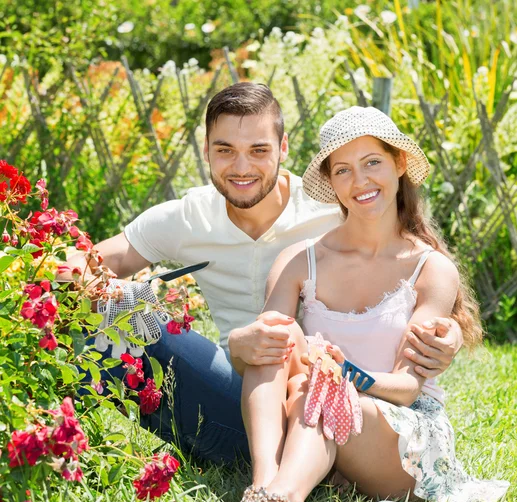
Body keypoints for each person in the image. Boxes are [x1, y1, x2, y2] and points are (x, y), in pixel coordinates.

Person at [63, 83, 463, 464]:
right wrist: (71, 269)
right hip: (234, 392)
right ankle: (59, 441)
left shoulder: (338, 204)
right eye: (225, 150)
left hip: (324, 399)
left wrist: (451, 332)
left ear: (283, 148)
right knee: (113, 314)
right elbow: (91, 259)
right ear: (205, 151)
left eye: (258, 150)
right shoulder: (188, 217)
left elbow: (411, 265)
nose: (241, 167)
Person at [209, 107, 509, 502]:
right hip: (320, 411)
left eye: (373, 163)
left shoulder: (430, 268)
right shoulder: (300, 261)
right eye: (344, 170)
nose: (360, 181)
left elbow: (408, 389)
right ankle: (262, 489)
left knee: (325, 384)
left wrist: (344, 372)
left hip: (402, 437)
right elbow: (264, 361)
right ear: (331, 182)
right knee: (276, 333)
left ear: (399, 165)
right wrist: (253, 342)